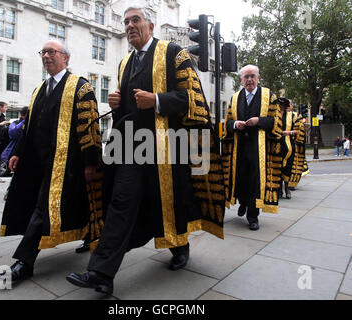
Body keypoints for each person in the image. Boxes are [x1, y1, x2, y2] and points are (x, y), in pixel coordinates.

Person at [66, 6, 225, 295]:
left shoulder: (173, 52)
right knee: (121, 204)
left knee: (166, 202)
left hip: (166, 148)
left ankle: (179, 245)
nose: (129, 26)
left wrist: (158, 100)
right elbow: (130, 109)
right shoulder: (125, 62)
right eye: (126, 22)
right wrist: (117, 104)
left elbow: (192, 98)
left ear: (150, 26)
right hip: (131, 148)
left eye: (135, 20)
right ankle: (101, 273)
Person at [0, 39, 103, 284]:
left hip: (68, 163)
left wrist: (90, 162)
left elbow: (90, 127)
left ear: (65, 57)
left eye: (51, 52)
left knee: (44, 207)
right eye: (43, 52)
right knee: (64, 203)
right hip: (38, 162)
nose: (46, 56)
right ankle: (90, 236)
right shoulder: (39, 90)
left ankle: (25, 261)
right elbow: (29, 128)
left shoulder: (80, 86)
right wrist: (18, 153)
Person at [221, 64, 282, 231]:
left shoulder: (269, 96)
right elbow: (227, 122)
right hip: (239, 148)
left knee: (255, 180)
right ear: (241, 80)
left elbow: (276, 122)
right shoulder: (235, 98)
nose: (249, 80)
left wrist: (259, 121)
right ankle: (243, 203)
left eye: (252, 76)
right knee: (240, 178)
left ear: (258, 78)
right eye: (246, 77)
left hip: (258, 148)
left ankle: (253, 215)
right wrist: (235, 124)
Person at [278, 99, 306, 199]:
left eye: (282, 106)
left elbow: (299, 131)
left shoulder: (294, 116)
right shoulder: (274, 115)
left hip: (289, 144)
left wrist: (288, 133)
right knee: (277, 167)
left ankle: (287, 188)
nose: (280, 108)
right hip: (277, 145)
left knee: (288, 167)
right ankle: (279, 189)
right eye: (279, 105)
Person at [1, 106, 28, 200]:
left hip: (27, 151)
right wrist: (26, 122)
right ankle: (9, 192)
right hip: (16, 151)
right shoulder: (15, 123)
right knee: (16, 174)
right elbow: (13, 133)